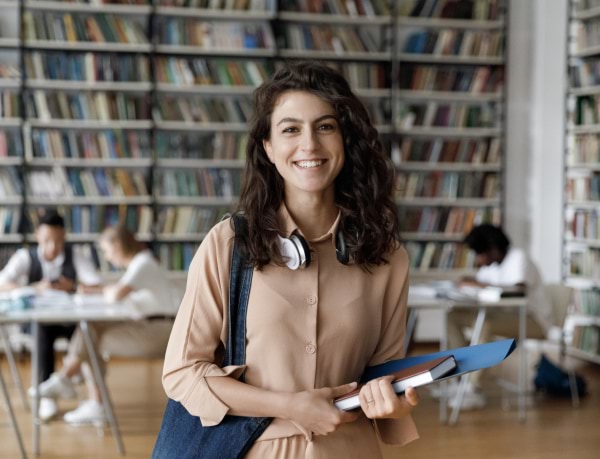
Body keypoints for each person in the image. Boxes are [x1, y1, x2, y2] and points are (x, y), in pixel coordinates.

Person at [159, 61, 419, 458]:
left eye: (325, 126)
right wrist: (289, 406)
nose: (310, 145)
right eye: (291, 129)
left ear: (345, 139)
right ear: (268, 147)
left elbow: (383, 375)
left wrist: (391, 403)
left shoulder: (387, 257)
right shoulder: (229, 243)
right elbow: (183, 374)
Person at [34, 225, 176, 424]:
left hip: (159, 333)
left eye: (107, 251)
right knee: (91, 329)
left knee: (90, 338)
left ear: (118, 245)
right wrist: (103, 290)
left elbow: (116, 294)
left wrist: (106, 291)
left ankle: (85, 394)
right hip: (153, 328)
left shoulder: (143, 263)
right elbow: (115, 292)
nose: (107, 257)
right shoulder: (141, 263)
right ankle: (73, 386)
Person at [0, 210, 102, 421]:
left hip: (68, 320)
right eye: (47, 240)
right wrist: (34, 287)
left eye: (57, 240)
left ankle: (77, 383)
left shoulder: (75, 255)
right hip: (38, 322)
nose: (52, 247)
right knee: (42, 329)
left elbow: (95, 285)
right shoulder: (24, 256)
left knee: (90, 329)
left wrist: (72, 286)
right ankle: (47, 392)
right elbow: (2, 283)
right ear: (37, 235)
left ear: (64, 236)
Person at [445, 223, 552, 409]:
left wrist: (479, 285)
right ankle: (460, 376)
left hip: (533, 320)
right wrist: (469, 281)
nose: (477, 260)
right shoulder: (491, 265)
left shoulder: (518, 257)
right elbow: (483, 281)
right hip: (504, 318)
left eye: (479, 254)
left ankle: (472, 388)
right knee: (453, 316)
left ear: (492, 250)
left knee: (484, 323)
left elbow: (518, 290)